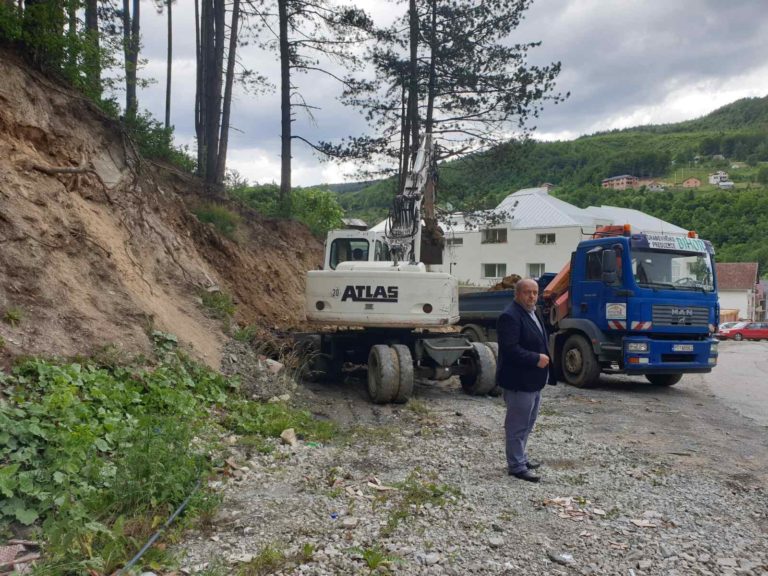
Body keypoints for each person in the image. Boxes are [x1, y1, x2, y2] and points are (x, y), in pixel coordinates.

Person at [496, 278, 556, 482]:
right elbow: (510, 349)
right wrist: (535, 358)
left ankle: (521, 457)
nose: (532, 296)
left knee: (527, 423)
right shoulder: (510, 316)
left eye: (535, 292)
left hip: (533, 381)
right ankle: (516, 466)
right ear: (517, 294)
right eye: (527, 292)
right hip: (518, 381)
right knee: (517, 425)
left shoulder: (532, 312)